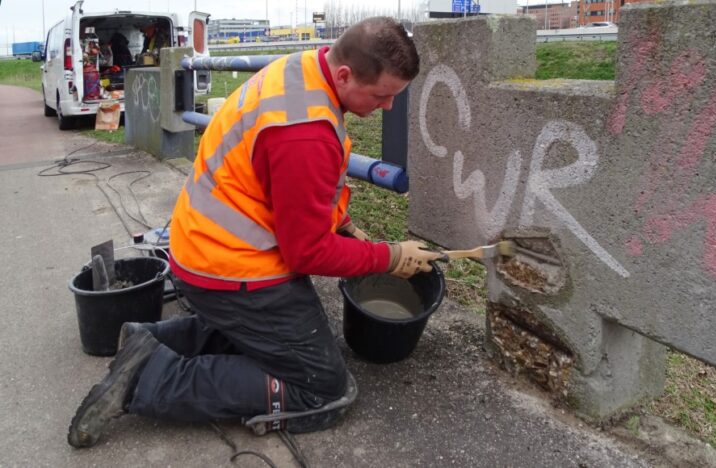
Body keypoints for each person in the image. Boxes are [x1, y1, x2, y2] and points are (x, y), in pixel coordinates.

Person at [68, 16, 442, 448]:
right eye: (382, 95)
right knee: (324, 387)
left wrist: (343, 225)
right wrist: (388, 257)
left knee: (272, 337)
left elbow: (295, 186)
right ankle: (150, 379)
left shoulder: (304, 68)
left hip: (204, 244)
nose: (389, 106)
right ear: (344, 75)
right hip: (232, 268)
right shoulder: (304, 133)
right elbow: (308, 254)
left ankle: (150, 340)